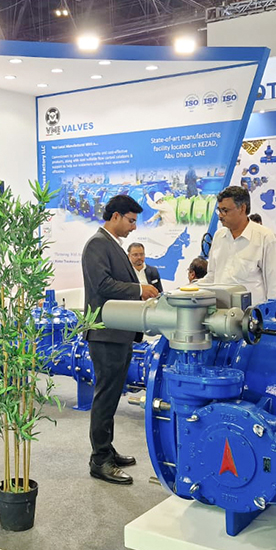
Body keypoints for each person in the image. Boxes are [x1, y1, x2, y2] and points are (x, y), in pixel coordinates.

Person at [81, 195, 159, 485]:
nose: (133, 227)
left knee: (112, 396)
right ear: (115, 216)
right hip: (105, 333)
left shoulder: (112, 245)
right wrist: (139, 290)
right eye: (131, 220)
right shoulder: (97, 244)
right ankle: (99, 460)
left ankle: (107, 449)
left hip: (119, 333)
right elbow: (102, 285)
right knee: (105, 397)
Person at [194, 186, 276, 305]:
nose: (220, 216)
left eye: (225, 210)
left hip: (252, 313)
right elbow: (212, 277)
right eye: (219, 210)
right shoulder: (219, 236)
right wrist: (187, 289)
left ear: (242, 208)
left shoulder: (265, 238)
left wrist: (274, 315)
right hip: (220, 312)